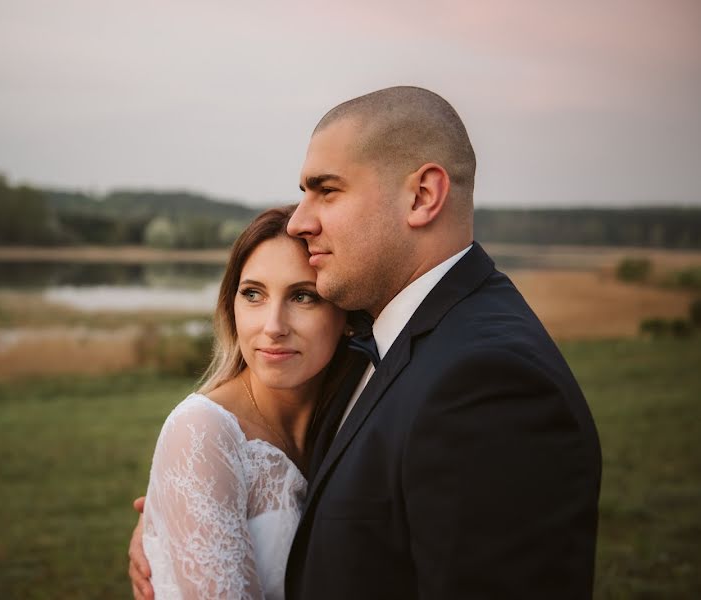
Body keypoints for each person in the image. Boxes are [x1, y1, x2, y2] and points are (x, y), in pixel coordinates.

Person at [130, 86, 602, 599]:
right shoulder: (380, 349)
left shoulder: (489, 383)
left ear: (422, 196)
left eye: (327, 191)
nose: (299, 221)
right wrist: (179, 526)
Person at [136, 205, 356, 599]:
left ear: (348, 315)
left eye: (303, 296)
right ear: (230, 305)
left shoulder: (356, 414)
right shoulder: (203, 431)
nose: (273, 327)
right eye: (253, 294)